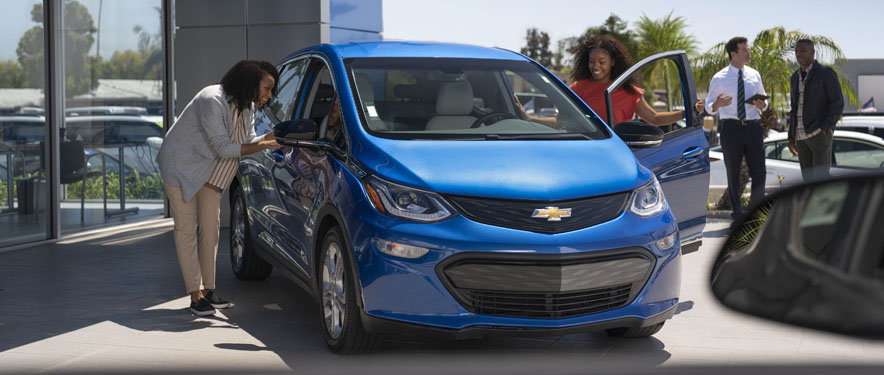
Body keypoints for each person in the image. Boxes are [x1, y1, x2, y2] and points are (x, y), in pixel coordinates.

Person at [156, 60, 280, 316]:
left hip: (209, 169)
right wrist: (263, 146)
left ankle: (209, 291)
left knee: (211, 229)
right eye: (267, 88)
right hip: (180, 166)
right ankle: (195, 295)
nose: (268, 96)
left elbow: (247, 142)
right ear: (250, 81)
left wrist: (272, 138)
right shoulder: (212, 99)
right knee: (187, 228)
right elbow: (225, 148)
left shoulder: (247, 108)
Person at [568, 35, 704, 127]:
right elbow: (562, 120)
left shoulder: (629, 92)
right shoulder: (578, 88)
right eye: (592, 61)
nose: (595, 66)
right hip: (581, 150)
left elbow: (654, 118)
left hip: (614, 154)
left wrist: (686, 112)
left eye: (601, 62)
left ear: (613, 62)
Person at [704, 37, 768, 220]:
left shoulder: (754, 75)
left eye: (749, 50)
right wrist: (716, 104)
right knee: (733, 172)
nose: (749, 53)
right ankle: (738, 215)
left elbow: (764, 102)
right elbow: (708, 106)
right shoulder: (719, 77)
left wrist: (762, 105)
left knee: (760, 172)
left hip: (753, 127)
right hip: (731, 129)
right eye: (745, 50)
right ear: (734, 54)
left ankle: (756, 215)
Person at [787, 39, 844, 181]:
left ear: (812, 52)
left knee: (820, 181)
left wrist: (825, 128)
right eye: (797, 51)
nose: (799, 54)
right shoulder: (794, 77)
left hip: (818, 134)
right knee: (807, 182)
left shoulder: (825, 73)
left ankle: (824, 204)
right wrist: (791, 136)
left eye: (803, 51)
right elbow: (794, 108)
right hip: (800, 137)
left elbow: (837, 103)